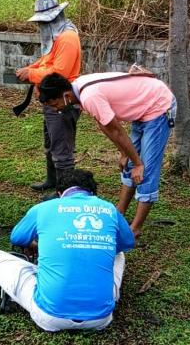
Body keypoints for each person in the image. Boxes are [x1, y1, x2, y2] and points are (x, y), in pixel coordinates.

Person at [0, 169, 135, 332]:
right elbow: (127, 243)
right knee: (118, 254)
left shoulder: (44, 208)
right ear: (93, 194)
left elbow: (17, 238)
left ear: (59, 193)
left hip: (50, 316)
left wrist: (38, 244)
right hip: (100, 318)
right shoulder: (109, 209)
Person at [38, 71, 176, 238]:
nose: (56, 109)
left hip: (158, 105)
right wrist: (124, 153)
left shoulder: (89, 96)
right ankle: (119, 214)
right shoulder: (79, 90)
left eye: (55, 104)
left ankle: (135, 229)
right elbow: (104, 125)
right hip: (143, 107)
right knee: (130, 165)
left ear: (66, 95)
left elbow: (117, 130)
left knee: (145, 170)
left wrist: (138, 163)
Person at [15, 0, 81, 193]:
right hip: (52, 100)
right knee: (51, 143)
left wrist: (31, 74)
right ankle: (52, 181)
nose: (41, 26)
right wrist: (30, 69)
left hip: (63, 101)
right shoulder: (57, 36)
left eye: (43, 22)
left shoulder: (67, 37)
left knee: (61, 149)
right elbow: (46, 61)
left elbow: (59, 73)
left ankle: (64, 191)